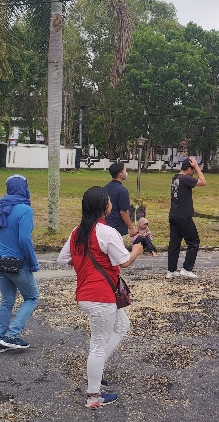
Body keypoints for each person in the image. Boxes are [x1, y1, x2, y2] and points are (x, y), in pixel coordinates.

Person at [58, 185, 145, 410]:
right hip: (101, 296)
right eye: (108, 201)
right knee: (98, 344)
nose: (111, 203)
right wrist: (138, 248)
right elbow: (124, 260)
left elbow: (63, 258)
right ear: (104, 207)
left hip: (87, 293)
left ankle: (95, 372)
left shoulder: (77, 231)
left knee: (123, 325)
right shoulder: (106, 232)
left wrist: (84, 263)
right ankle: (93, 396)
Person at [0, 176, 38, 351]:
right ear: (24, 188)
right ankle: (12, 334)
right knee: (32, 297)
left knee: (7, 300)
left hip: (1, 261)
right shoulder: (25, 210)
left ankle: (1, 337)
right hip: (17, 263)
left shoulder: (2, 207)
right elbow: (24, 239)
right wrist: (33, 262)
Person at [166, 156, 204, 279]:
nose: (194, 172)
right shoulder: (185, 179)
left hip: (174, 215)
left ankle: (171, 270)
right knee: (194, 242)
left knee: (174, 244)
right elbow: (203, 182)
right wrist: (197, 167)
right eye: (192, 170)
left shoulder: (175, 178)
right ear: (189, 168)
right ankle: (187, 268)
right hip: (184, 216)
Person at [103, 162, 132, 240]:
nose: (126, 173)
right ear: (120, 174)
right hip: (118, 228)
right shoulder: (122, 191)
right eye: (125, 171)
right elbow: (123, 212)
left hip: (105, 226)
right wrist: (131, 227)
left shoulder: (105, 188)